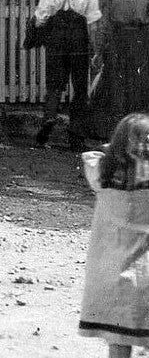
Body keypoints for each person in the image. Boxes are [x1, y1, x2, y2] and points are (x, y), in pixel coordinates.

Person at [77, 113, 149, 358]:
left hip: (112, 272)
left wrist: (116, 150)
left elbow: (93, 156)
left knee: (118, 338)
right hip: (144, 272)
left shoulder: (102, 178)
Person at [32, 0, 102, 149]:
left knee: (54, 85)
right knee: (80, 88)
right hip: (79, 43)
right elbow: (93, 25)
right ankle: (76, 136)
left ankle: (49, 118)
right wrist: (95, 50)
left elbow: (40, 19)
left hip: (56, 42)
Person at [95, 0, 149, 136]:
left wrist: (99, 49)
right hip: (140, 39)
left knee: (117, 82)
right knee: (138, 82)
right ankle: (135, 128)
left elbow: (106, 23)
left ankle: (116, 129)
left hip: (117, 39)